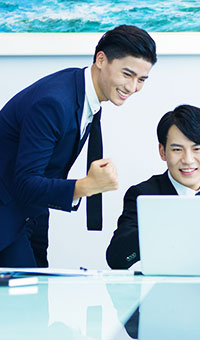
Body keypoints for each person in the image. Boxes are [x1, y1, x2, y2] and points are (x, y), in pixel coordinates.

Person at [0, 25, 157, 267]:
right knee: (25, 290)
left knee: (40, 286)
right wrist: (87, 186)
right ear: (101, 60)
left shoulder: (83, 92)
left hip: (33, 210)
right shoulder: (54, 103)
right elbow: (25, 181)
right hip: (7, 213)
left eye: (141, 80)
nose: (132, 87)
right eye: (127, 74)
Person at [106, 104, 200, 269]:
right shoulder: (145, 194)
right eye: (177, 150)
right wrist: (160, 225)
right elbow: (117, 259)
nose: (188, 160)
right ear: (162, 151)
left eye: (197, 149)